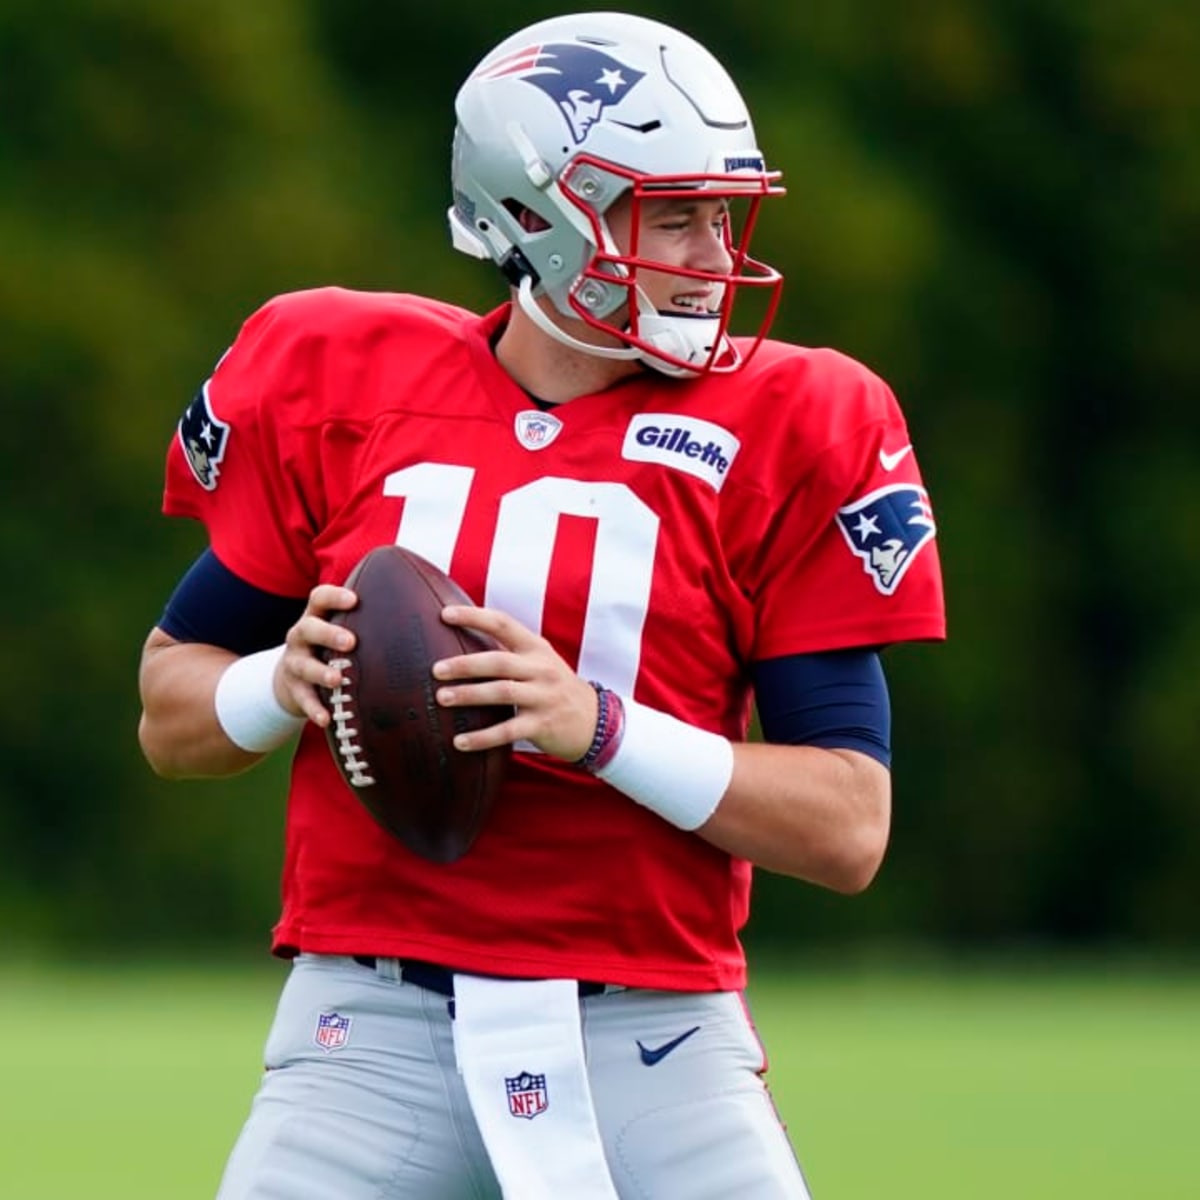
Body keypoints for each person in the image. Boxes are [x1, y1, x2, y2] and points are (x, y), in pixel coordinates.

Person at [138, 11, 945, 1199]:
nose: (713, 255)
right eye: (672, 215)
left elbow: (848, 827)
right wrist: (279, 682)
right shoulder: (336, 376)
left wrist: (598, 728)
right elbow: (170, 713)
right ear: (536, 216)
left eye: (722, 215)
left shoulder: (797, 419)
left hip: (657, 1036)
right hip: (366, 1028)